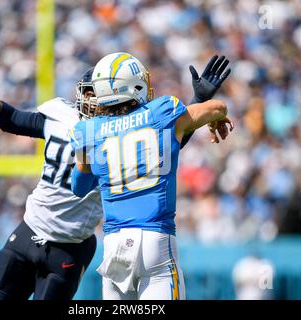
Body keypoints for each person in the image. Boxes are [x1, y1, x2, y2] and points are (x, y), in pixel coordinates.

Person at [69, 52, 233, 300]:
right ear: (135, 84)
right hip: (156, 242)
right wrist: (213, 116)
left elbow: (79, 187)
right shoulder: (161, 111)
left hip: (114, 247)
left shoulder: (87, 130)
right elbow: (217, 107)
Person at [0, 46, 103, 300]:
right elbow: (10, 119)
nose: (92, 101)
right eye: (90, 94)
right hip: (32, 230)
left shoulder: (121, 134)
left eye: (99, 96)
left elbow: (167, 145)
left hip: (69, 246)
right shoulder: (65, 118)